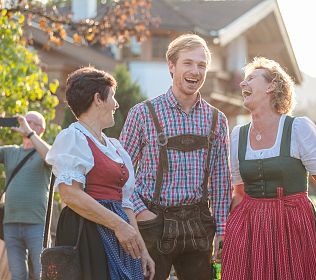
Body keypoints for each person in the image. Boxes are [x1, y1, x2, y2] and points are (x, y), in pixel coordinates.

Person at [119, 34, 232, 280]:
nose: (195, 71)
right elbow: (120, 173)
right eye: (188, 63)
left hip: (199, 225)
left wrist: (222, 229)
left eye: (201, 65)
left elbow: (222, 181)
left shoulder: (216, 120)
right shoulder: (143, 114)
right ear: (171, 66)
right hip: (152, 222)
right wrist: (140, 212)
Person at [222, 57, 316, 280]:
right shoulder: (238, 135)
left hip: (293, 227)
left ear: (271, 86)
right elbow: (239, 192)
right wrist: (229, 234)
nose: (243, 84)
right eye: (244, 80)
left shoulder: (298, 129)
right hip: (251, 230)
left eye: (251, 78)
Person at [45, 67, 155, 280]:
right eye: (112, 96)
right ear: (98, 98)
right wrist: (118, 225)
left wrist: (142, 250)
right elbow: (70, 195)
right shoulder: (73, 138)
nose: (116, 104)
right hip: (86, 232)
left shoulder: (114, 146)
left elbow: (126, 203)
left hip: (119, 233)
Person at [0, 111, 51, 280]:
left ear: (41, 129)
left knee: (41, 272)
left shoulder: (45, 151)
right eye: (24, 120)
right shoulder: (10, 152)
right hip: (11, 223)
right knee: (18, 275)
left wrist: (30, 132)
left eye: (31, 122)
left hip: (37, 224)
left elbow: (50, 157)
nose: (25, 124)